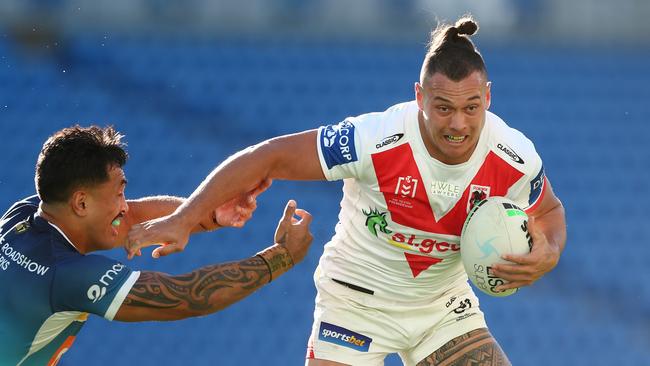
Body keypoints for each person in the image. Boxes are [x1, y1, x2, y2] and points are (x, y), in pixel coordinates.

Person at [127, 16, 566, 366]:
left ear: (488, 97)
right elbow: (270, 156)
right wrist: (183, 218)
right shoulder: (373, 139)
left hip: (441, 308)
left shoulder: (514, 155)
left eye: (471, 108)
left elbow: (549, 211)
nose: (458, 124)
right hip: (355, 303)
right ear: (419, 97)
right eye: (443, 107)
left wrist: (549, 251)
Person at [0, 125, 314, 366]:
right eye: (119, 193)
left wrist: (209, 213)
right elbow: (188, 296)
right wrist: (280, 257)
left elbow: (133, 216)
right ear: (81, 202)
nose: (125, 206)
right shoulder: (66, 276)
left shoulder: (24, 214)